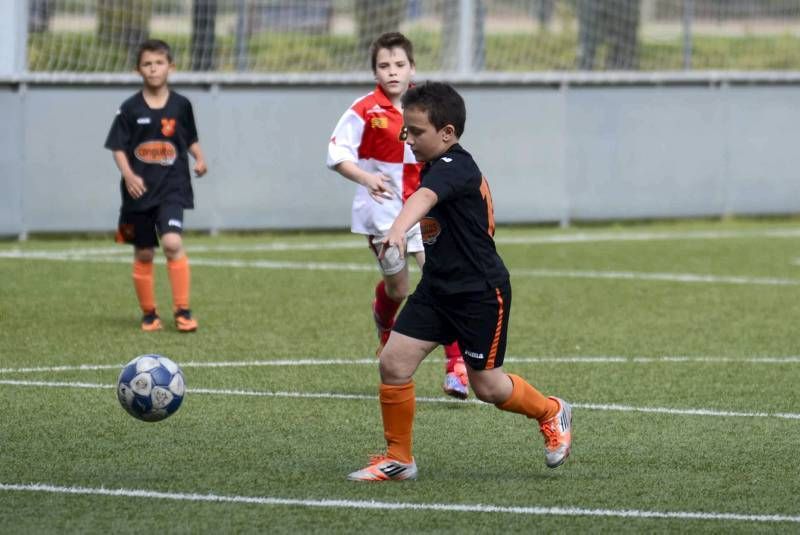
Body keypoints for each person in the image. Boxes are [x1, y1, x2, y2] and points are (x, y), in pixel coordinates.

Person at [347, 82, 572, 481]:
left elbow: (425, 200)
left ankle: (551, 411)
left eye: (416, 132)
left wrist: (398, 230)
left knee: (488, 388)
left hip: (480, 293)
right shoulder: (435, 164)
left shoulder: (456, 166)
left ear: (447, 133)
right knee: (394, 363)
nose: (408, 139)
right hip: (437, 289)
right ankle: (399, 459)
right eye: (406, 130)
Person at [326, 32, 470, 399]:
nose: (393, 72)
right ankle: (384, 316)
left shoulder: (425, 106)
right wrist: (366, 177)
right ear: (375, 71)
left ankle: (456, 367)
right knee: (400, 288)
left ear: (412, 68)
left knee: (437, 277)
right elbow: (337, 154)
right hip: (381, 211)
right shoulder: (363, 110)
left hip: (423, 206)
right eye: (384, 65)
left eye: (399, 65)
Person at [104, 39, 207, 332]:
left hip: (173, 188)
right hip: (138, 193)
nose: (153, 69)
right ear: (139, 69)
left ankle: (183, 311)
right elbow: (118, 147)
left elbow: (190, 139)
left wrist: (199, 158)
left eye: (159, 63)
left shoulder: (181, 105)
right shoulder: (129, 108)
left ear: (170, 67)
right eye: (147, 64)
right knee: (145, 252)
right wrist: (128, 174)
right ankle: (149, 313)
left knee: (173, 243)